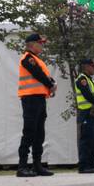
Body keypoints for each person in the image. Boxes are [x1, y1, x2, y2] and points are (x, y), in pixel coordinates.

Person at [17, 33, 56, 177]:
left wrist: (51, 83)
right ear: (31, 44)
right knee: (29, 131)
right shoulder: (28, 58)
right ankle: (22, 166)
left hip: (39, 98)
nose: (42, 45)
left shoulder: (37, 59)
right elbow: (38, 74)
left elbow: (44, 75)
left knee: (39, 133)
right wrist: (50, 84)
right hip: (30, 98)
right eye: (40, 43)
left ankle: (37, 165)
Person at [74, 56, 94, 174]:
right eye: (93, 66)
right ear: (86, 67)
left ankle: (92, 164)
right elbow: (87, 95)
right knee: (86, 140)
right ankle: (84, 166)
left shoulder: (92, 81)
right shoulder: (81, 79)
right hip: (86, 113)